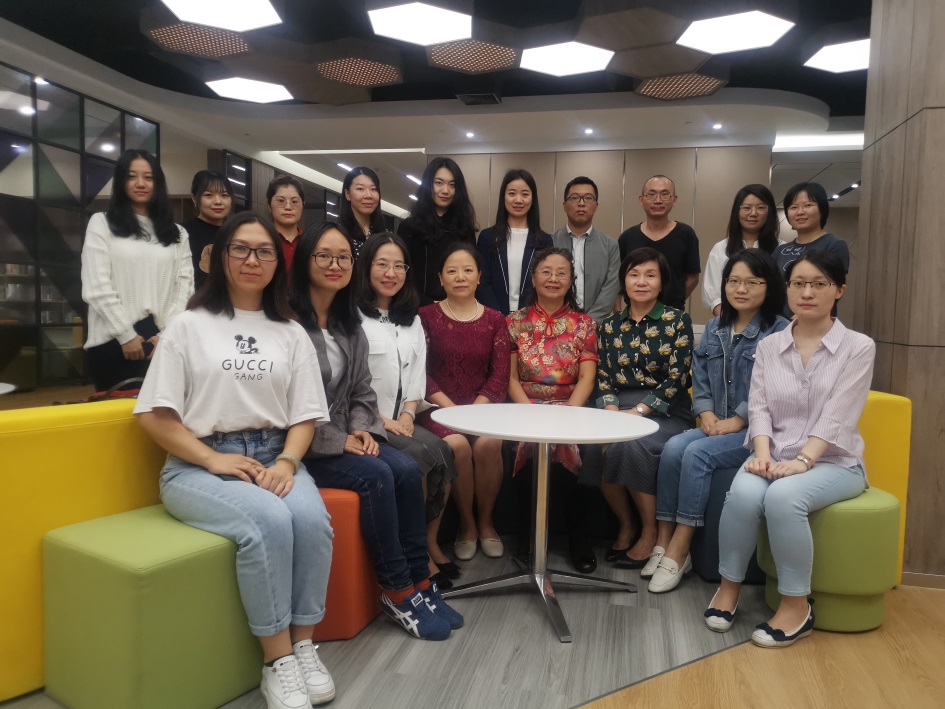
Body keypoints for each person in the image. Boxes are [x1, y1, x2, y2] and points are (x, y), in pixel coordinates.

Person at [134, 212, 336, 709]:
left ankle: (305, 647)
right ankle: (277, 662)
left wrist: (287, 462)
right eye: (240, 248)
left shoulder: (291, 332)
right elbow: (154, 417)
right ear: (219, 256)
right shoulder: (187, 326)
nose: (252, 260)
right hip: (196, 465)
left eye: (264, 251)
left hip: (274, 454)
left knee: (312, 521)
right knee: (269, 520)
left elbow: (306, 416)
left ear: (277, 263)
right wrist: (212, 459)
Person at [288, 221, 462, 641]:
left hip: (349, 432)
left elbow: (362, 389)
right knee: (380, 475)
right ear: (305, 260)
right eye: (324, 256)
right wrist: (340, 438)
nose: (335, 265)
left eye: (342, 257)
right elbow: (289, 401)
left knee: (406, 469)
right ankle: (397, 589)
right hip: (304, 442)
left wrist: (364, 429)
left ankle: (421, 582)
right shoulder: (288, 324)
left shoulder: (347, 323)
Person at [708, 251, 873, 649]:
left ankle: (797, 606)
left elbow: (838, 415)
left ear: (839, 290)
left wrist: (803, 460)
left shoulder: (858, 347)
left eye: (819, 284)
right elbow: (759, 406)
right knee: (742, 493)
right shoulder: (770, 345)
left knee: (783, 498)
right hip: (775, 454)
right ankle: (728, 587)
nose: (807, 293)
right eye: (799, 284)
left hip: (834, 461)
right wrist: (762, 452)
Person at [649, 250, 789, 594]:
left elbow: (775, 386)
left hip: (758, 432)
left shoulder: (780, 330)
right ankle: (663, 539)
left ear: (769, 286)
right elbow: (700, 374)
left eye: (752, 282)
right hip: (716, 423)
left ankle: (681, 547)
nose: (740, 289)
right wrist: (707, 412)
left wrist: (739, 419)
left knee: (697, 454)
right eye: (733, 281)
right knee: (673, 448)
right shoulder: (715, 327)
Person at [355, 233, 460, 588]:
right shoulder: (351, 316)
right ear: (366, 267)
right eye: (382, 264)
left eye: (399, 266)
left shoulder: (410, 318)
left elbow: (417, 372)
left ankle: (429, 542)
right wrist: (384, 420)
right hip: (367, 420)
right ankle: (418, 557)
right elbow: (351, 383)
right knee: (417, 458)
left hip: (402, 417)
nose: (391, 273)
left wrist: (407, 414)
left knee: (443, 450)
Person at [593, 247, 694, 569]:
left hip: (666, 410)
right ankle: (626, 524)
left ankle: (650, 533)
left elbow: (678, 378)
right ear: (624, 280)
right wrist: (611, 410)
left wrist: (638, 412)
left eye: (650, 275)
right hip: (617, 409)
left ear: (662, 283)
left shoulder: (677, 321)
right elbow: (603, 375)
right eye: (634, 274)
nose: (641, 281)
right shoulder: (609, 325)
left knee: (633, 445)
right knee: (595, 447)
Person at [506, 247, 599, 573]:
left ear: (571, 281)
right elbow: (511, 378)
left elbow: (587, 377)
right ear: (533, 278)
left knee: (564, 442)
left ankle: (578, 537)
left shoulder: (584, 324)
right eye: (546, 271)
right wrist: (530, 413)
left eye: (562, 273)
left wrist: (569, 412)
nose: (553, 278)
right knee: (527, 441)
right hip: (526, 405)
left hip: (570, 406)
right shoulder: (514, 322)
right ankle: (526, 533)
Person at [417, 243, 510, 561]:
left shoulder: (496, 320)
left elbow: (499, 376)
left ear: (479, 276)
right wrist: (452, 412)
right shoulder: (425, 316)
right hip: (439, 409)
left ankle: (486, 521)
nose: (460, 277)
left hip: (482, 408)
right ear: (440, 278)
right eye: (452, 271)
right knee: (457, 445)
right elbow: (421, 373)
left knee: (489, 443)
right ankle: (467, 525)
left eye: (468, 270)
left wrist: (473, 413)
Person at [81, 149, 193, 391]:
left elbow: (185, 288)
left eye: (148, 177)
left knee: (165, 412)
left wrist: (167, 336)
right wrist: (126, 335)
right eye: (131, 176)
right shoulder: (101, 223)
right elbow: (96, 285)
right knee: (116, 413)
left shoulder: (178, 233)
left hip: (163, 341)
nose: (140, 183)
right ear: (121, 182)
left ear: (158, 183)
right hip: (113, 340)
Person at [397, 157, 477, 304]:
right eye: (438, 183)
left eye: (452, 185)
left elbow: (470, 274)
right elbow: (402, 273)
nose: (445, 190)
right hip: (416, 307)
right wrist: (429, 304)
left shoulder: (465, 230)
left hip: (456, 307)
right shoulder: (408, 227)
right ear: (428, 184)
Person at [476, 168, 552, 315]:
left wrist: (526, 317)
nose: (518, 200)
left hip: (532, 318)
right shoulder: (488, 237)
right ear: (503, 196)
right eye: (512, 193)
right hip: (493, 316)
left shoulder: (544, 240)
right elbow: (482, 281)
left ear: (533, 198)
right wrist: (498, 316)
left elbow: (545, 282)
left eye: (525, 194)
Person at [617, 175, 700, 310]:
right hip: (634, 313)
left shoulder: (686, 234)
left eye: (665, 194)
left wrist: (674, 302)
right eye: (651, 194)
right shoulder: (627, 237)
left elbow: (693, 277)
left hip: (673, 313)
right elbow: (618, 279)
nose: (658, 200)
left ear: (674, 200)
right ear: (641, 200)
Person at [701, 184, 783, 316]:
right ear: (737, 212)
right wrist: (731, 324)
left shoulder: (782, 249)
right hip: (729, 321)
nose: (753, 213)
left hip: (772, 322)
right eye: (746, 208)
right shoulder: (720, 249)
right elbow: (715, 297)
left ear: (770, 211)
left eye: (761, 208)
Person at [551, 176, 621, 323]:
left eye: (588, 198)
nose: (581, 203)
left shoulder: (610, 245)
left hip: (596, 326)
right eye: (574, 198)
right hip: (555, 324)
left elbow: (611, 289)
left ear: (596, 205)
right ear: (564, 205)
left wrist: (588, 323)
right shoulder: (550, 242)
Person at [774, 182, 850, 281]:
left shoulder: (834, 245)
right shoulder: (780, 250)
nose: (800, 212)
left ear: (822, 209)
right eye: (793, 207)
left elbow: (833, 285)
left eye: (807, 205)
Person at [182, 169, 235, 290]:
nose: (218, 202)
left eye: (224, 195)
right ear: (195, 199)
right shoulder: (182, 233)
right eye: (209, 195)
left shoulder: (237, 233)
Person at [338, 166, 384, 260]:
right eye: (360, 189)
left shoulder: (385, 235)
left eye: (374, 189)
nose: (368, 195)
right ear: (347, 194)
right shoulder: (337, 233)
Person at [267, 175, 305, 272]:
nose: (288, 207)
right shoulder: (262, 239)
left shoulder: (310, 241)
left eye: (294, 201)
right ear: (269, 206)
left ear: (302, 206)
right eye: (281, 201)